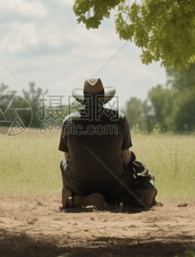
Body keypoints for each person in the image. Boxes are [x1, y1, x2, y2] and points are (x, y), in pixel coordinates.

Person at [59, 78, 158, 211]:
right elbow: (125, 158)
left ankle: (78, 198)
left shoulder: (68, 121)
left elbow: (67, 158)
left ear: (83, 98)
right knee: (142, 179)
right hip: (115, 187)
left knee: (63, 164)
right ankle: (113, 202)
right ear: (104, 98)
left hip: (80, 186)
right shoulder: (119, 119)